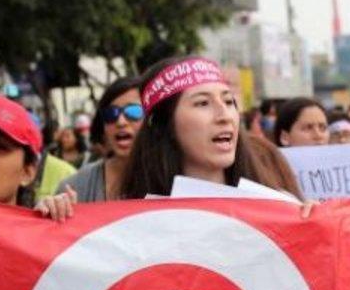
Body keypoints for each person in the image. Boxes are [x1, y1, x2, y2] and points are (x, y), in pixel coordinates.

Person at [119, 55, 303, 203]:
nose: (224, 116)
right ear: (164, 124)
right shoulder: (129, 226)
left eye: (229, 101)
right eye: (203, 103)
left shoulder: (279, 206)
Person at [57, 76, 144, 202]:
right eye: (111, 113)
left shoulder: (171, 177)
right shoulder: (76, 187)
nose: (120, 122)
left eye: (133, 111)